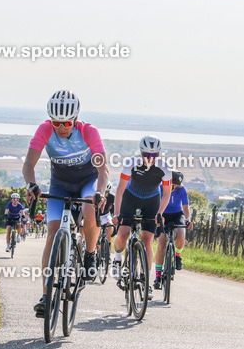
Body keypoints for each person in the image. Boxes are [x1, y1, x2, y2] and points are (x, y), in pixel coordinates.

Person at [23, 90, 109, 317]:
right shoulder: (44, 130)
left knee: (90, 209)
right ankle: (45, 295)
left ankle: (90, 254)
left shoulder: (89, 132)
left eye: (67, 123)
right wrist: (31, 185)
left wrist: (100, 192)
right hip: (60, 184)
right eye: (56, 123)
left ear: (76, 119)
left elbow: (103, 170)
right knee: (52, 233)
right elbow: (28, 165)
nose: (61, 128)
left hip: (87, 182)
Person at [112, 136, 171, 301]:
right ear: (140, 152)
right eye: (146, 154)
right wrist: (117, 214)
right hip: (130, 198)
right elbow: (120, 190)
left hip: (152, 201)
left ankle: (146, 281)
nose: (150, 158)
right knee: (123, 233)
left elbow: (166, 194)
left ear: (159, 154)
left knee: (147, 240)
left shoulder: (164, 168)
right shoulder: (131, 163)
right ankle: (117, 259)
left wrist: (160, 213)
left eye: (154, 155)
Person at [153, 170, 189, 288]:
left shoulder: (181, 190)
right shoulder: (160, 188)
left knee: (181, 233)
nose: (175, 186)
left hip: (177, 214)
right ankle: (158, 276)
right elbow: (156, 203)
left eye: (177, 184)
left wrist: (187, 219)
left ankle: (177, 256)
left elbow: (185, 207)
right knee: (162, 243)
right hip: (163, 214)